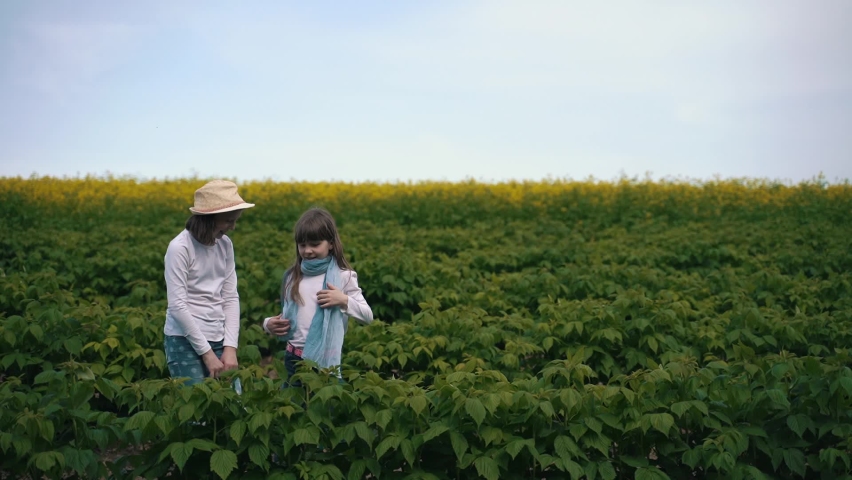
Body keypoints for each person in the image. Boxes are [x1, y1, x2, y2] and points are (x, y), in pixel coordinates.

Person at [163, 180, 259, 386]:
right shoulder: (180, 248)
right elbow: (177, 306)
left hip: (219, 336)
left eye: (235, 220)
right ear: (207, 219)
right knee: (196, 410)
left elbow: (231, 297)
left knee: (233, 403)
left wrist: (230, 348)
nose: (232, 227)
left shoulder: (225, 244)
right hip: (183, 340)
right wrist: (207, 354)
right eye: (228, 221)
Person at [263, 207, 373, 384]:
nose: (307, 251)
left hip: (325, 363)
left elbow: (367, 316)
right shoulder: (292, 276)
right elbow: (287, 318)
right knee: (297, 408)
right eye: (302, 245)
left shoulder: (344, 277)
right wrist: (268, 324)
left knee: (325, 408)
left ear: (330, 243)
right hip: (293, 360)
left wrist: (343, 300)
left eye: (315, 244)